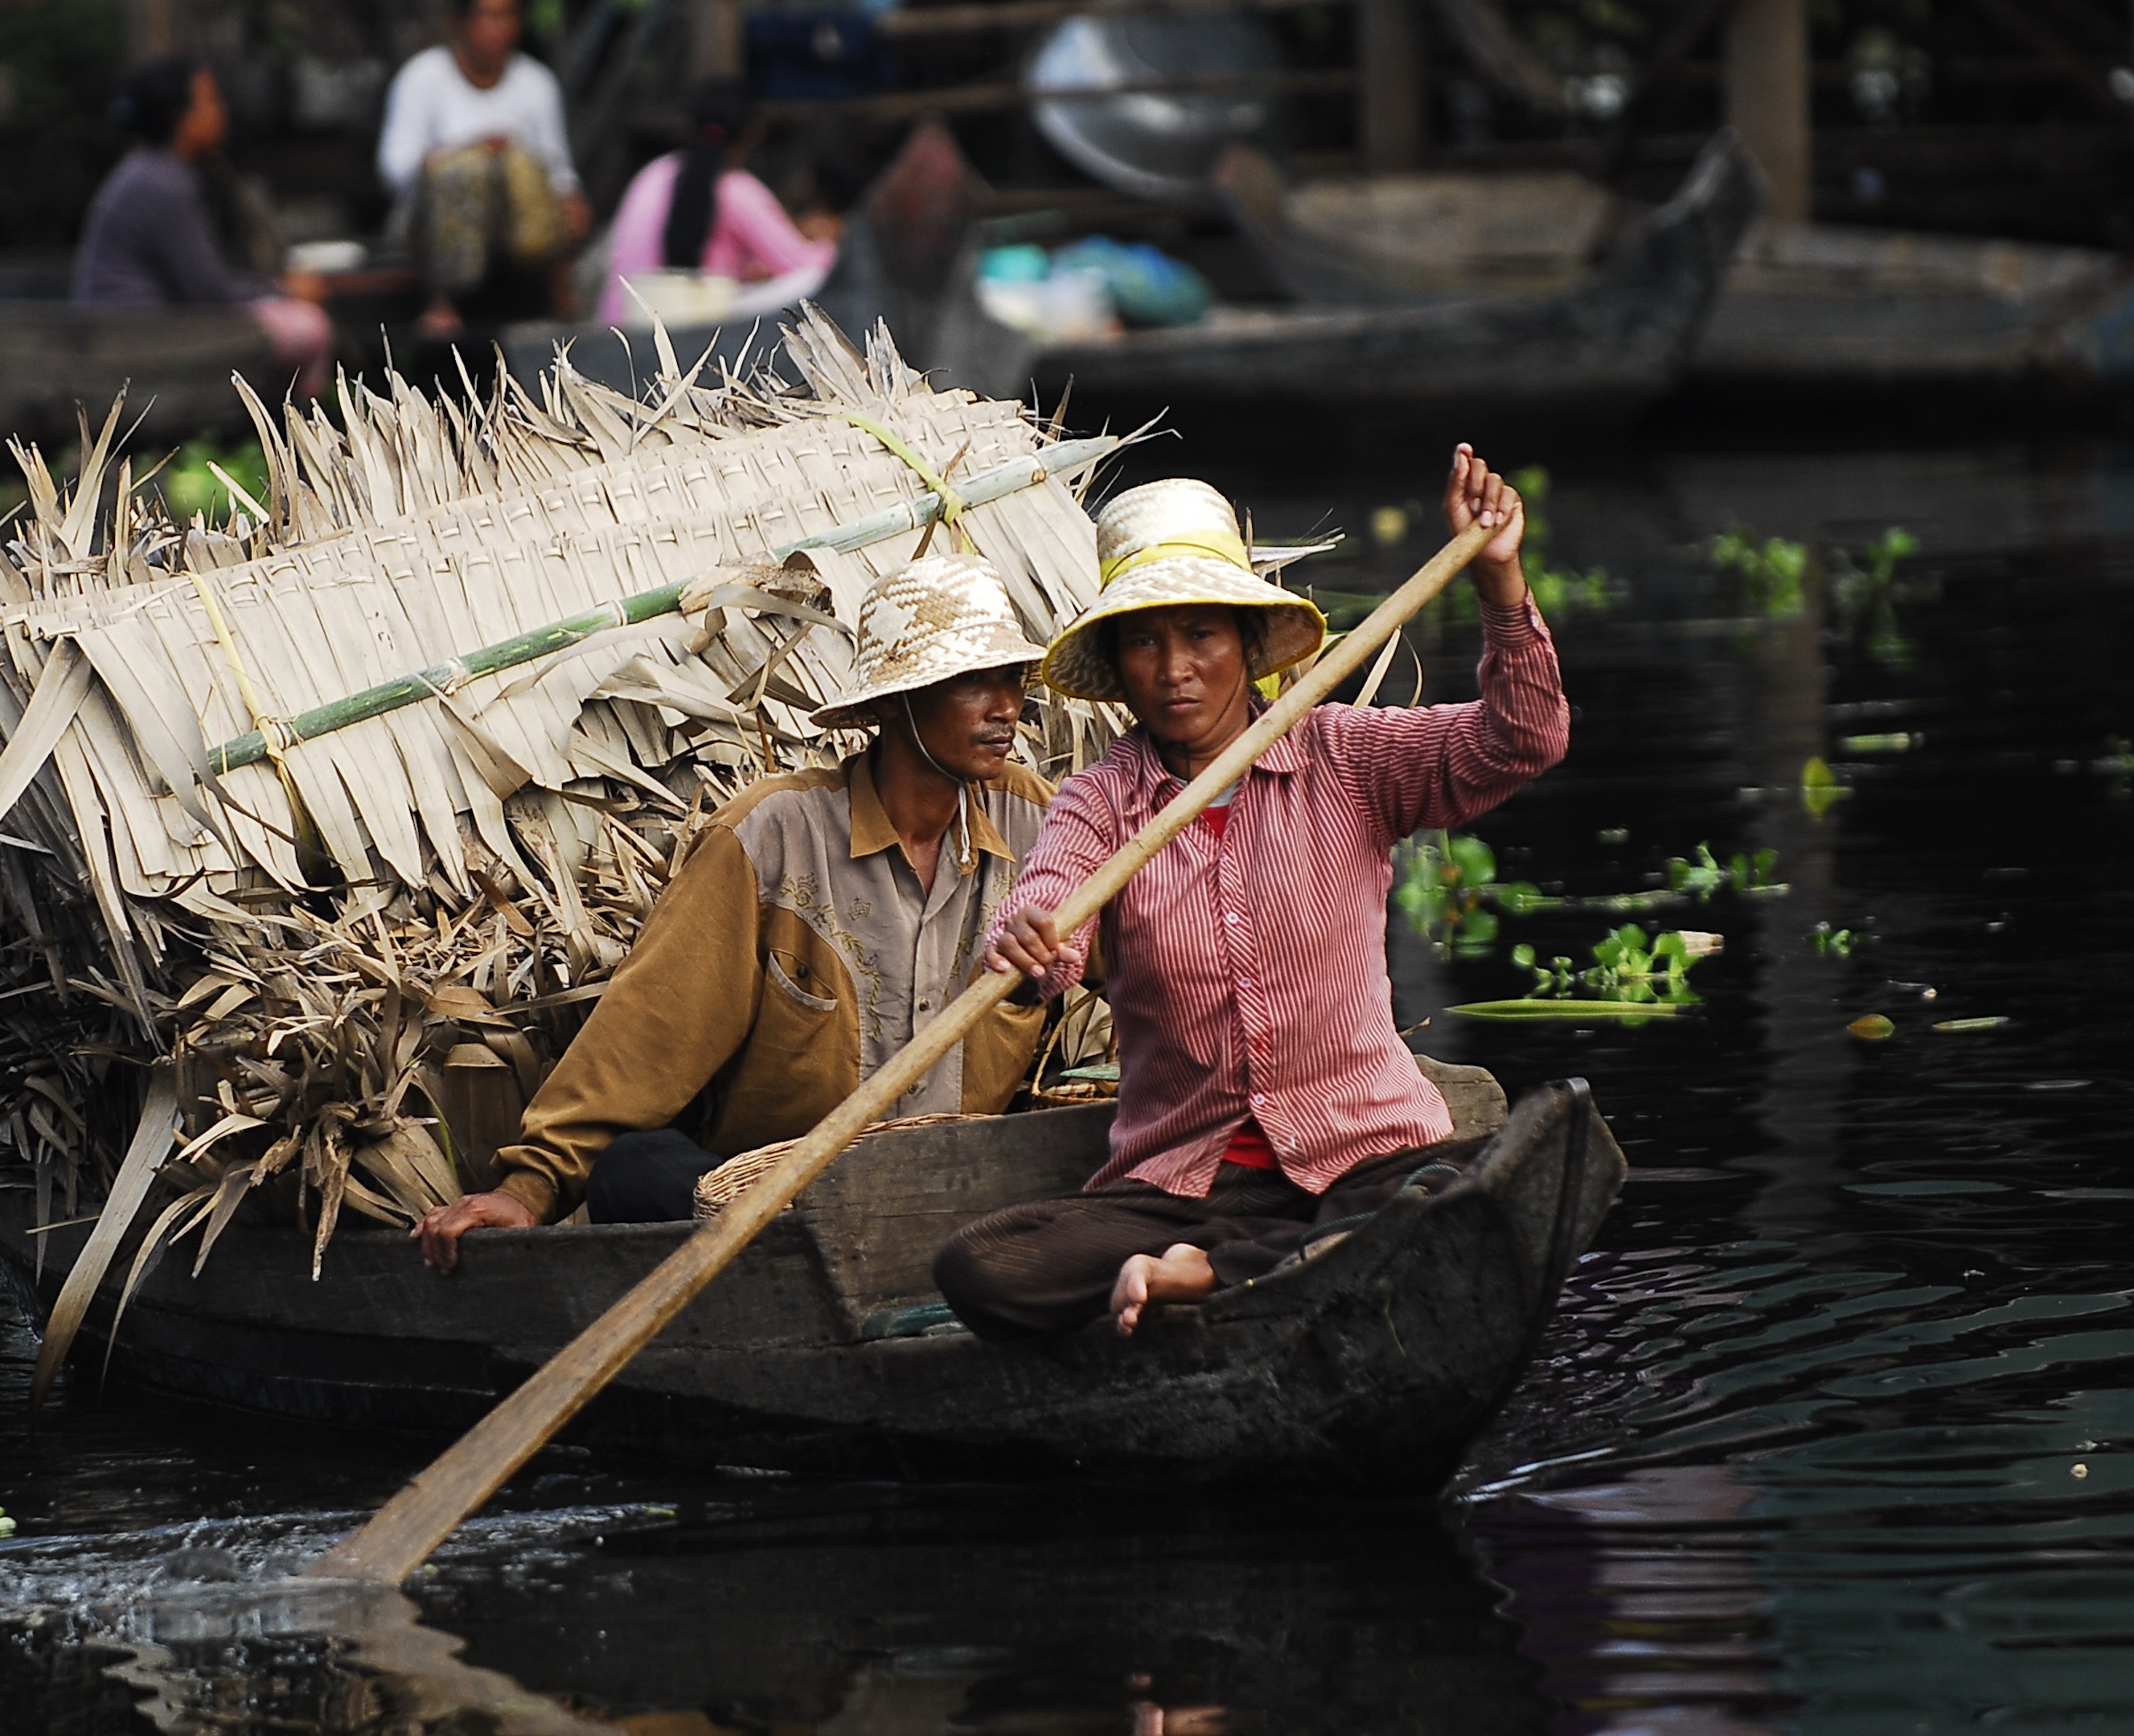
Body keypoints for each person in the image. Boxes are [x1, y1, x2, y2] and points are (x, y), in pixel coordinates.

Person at [932, 450, 1567, 1340]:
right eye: (1146, 639)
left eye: (1201, 635)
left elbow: (1523, 739)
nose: (1176, 668)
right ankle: (1247, 1256)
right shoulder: (1102, 801)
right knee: (982, 1266)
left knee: (1451, 1190)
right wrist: (1033, 939)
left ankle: (1226, 1271)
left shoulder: (1344, 755)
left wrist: (1501, 583)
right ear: (1119, 662)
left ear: (1244, 641)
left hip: (1365, 1159)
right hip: (1184, 1193)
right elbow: (1048, 912)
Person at [413, 553, 1061, 1270]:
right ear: (892, 701)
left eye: (1011, 679)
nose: (1005, 707)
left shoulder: (1043, 829)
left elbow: (1153, 957)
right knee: (635, 1167)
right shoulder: (773, 837)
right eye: (973, 681)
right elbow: (648, 1033)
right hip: (779, 1212)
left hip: (962, 1201)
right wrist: (530, 1189)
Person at [72, 57, 335, 394]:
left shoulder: (156, 172)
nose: (221, 111)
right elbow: (208, 291)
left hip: (147, 321)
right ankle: (291, 422)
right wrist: (283, 292)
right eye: (210, 101)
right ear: (179, 116)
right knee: (309, 326)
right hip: (138, 330)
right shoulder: (160, 183)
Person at [376, 0, 591, 338]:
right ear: (460, 22)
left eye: (508, 16)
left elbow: (558, 169)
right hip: (431, 230)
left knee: (524, 167)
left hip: (514, 232)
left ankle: (560, 299)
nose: (499, 28)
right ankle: (442, 301)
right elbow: (394, 167)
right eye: (489, 16)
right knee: (464, 170)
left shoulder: (537, 82)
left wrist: (571, 201)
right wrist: (469, 151)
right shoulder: (422, 78)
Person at [594, 80, 837, 330]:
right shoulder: (736, 189)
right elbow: (802, 265)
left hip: (622, 325)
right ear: (753, 133)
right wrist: (831, 238)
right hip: (693, 327)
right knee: (811, 279)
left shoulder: (654, 173)